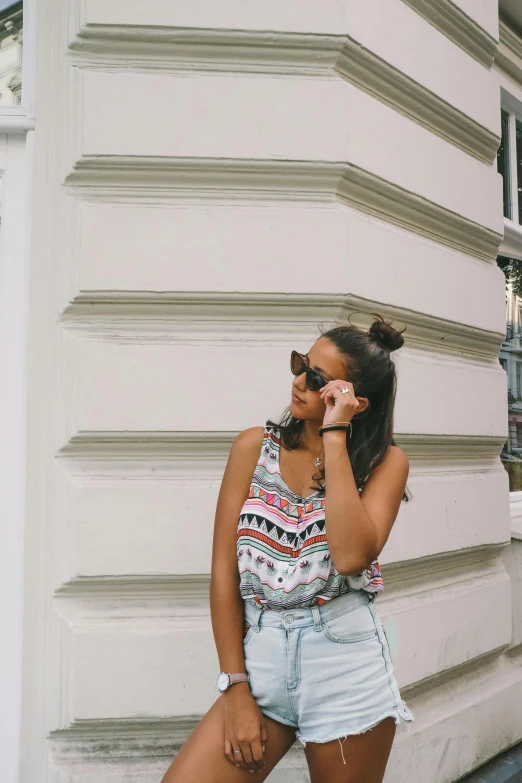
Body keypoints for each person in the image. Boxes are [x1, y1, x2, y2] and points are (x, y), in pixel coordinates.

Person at [160, 313, 415, 783]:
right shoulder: (253, 448)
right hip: (261, 662)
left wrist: (335, 436)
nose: (298, 381)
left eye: (316, 377)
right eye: (300, 364)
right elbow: (224, 573)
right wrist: (234, 685)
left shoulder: (385, 463)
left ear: (356, 400)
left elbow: (352, 556)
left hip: (344, 664)